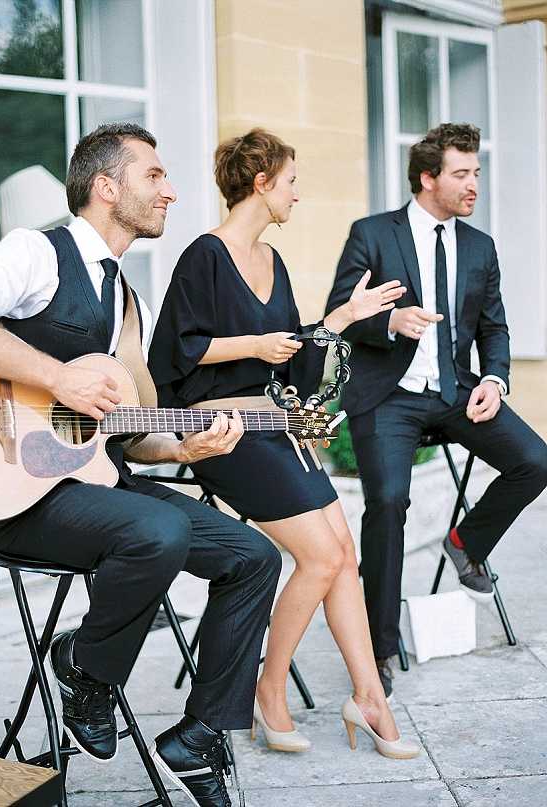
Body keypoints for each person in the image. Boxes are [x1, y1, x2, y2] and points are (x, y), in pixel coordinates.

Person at [0, 123, 283, 807]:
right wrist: (56, 377)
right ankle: (85, 669)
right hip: (22, 499)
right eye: (154, 176)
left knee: (253, 554)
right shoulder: (38, 254)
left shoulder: (128, 302)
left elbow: (126, 438)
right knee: (158, 532)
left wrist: (183, 446)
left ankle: (199, 733)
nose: (171, 190)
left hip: (96, 486)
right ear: (107, 187)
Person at [149, 128, 420, 759]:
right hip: (223, 432)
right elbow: (174, 356)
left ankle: (368, 697)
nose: (298, 195)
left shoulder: (276, 263)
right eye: (291, 181)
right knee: (321, 559)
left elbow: (292, 367)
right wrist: (252, 346)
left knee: (343, 552)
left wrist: (343, 320)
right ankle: (269, 692)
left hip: (274, 424)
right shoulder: (204, 256)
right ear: (261, 182)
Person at [325, 122, 547, 697]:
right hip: (388, 398)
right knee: (389, 501)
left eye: (476, 172)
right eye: (462, 173)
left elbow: (495, 326)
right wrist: (388, 320)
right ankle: (379, 644)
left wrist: (494, 380)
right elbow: (339, 315)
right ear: (428, 178)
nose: (474, 184)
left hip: (456, 393)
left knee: (536, 461)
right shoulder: (372, 234)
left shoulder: (480, 246)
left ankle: (466, 544)